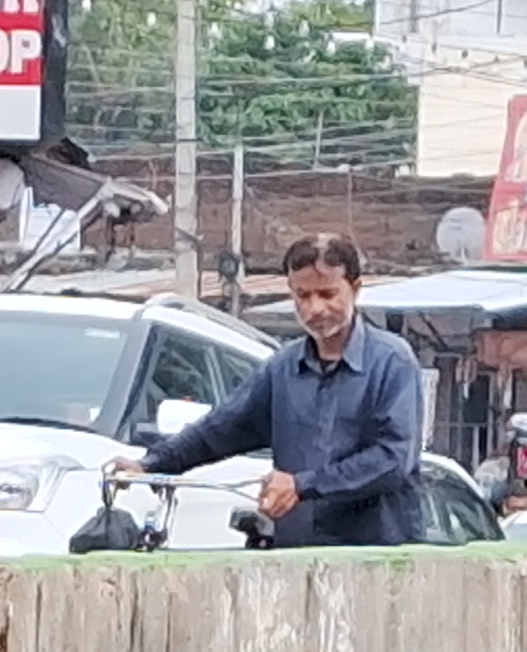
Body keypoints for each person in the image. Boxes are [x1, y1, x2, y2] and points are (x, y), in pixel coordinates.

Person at [126, 233, 425, 547]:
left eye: (327, 294)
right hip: (295, 556)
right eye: (303, 295)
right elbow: (221, 428)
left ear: (356, 289)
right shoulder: (281, 368)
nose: (315, 308)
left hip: (375, 558)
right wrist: (150, 464)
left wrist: (302, 485)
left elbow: (393, 459)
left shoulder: (393, 361)